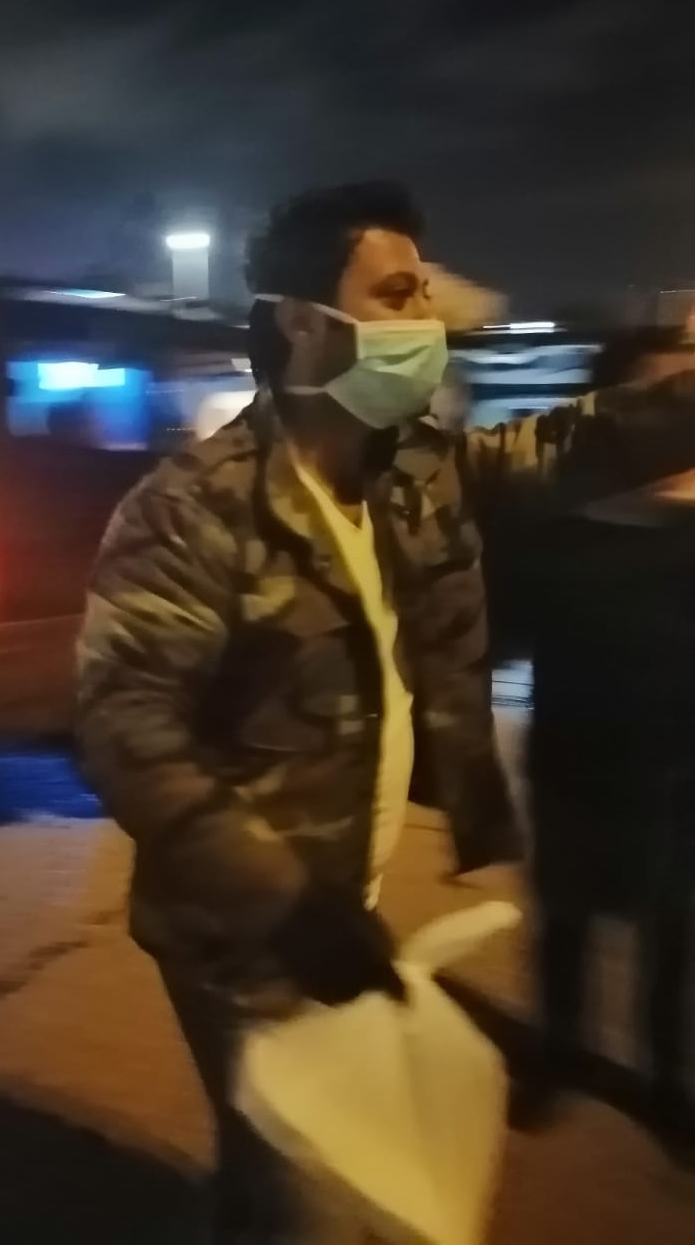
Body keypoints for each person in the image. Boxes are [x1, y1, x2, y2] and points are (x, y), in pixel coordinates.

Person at [74, 183, 695, 1241]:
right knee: (310, 1205)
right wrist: (288, 906)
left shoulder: (412, 472)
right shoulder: (191, 509)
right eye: (398, 296)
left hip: (337, 907)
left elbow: (584, 442)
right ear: (305, 323)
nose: (428, 322)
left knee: (270, 1172)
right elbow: (126, 728)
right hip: (241, 936)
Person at [525, 326, 695, 1165]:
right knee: (565, 925)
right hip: (574, 756)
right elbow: (504, 622)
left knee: (676, 941)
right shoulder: (562, 512)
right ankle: (559, 1054)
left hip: (682, 774)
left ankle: (670, 1083)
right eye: (661, 394)